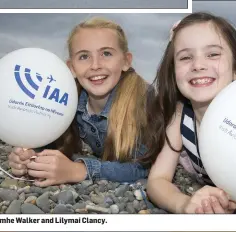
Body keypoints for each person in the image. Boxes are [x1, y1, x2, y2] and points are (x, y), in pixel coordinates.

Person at [8, 17, 148, 186]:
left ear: (126, 61)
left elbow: (144, 167)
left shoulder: (144, 101)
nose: (95, 65)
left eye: (106, 53)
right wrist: (30, 156)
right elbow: (52, 142)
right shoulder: (66, 102)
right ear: (71, 67)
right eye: (83, 56)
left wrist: (78, 170)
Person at [144, 12, 236, 213]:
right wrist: (184, 204)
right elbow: (157, 180)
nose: (198, 65)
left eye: (213, 54)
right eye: (185, 57)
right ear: (173, 71)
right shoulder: (180, 115)